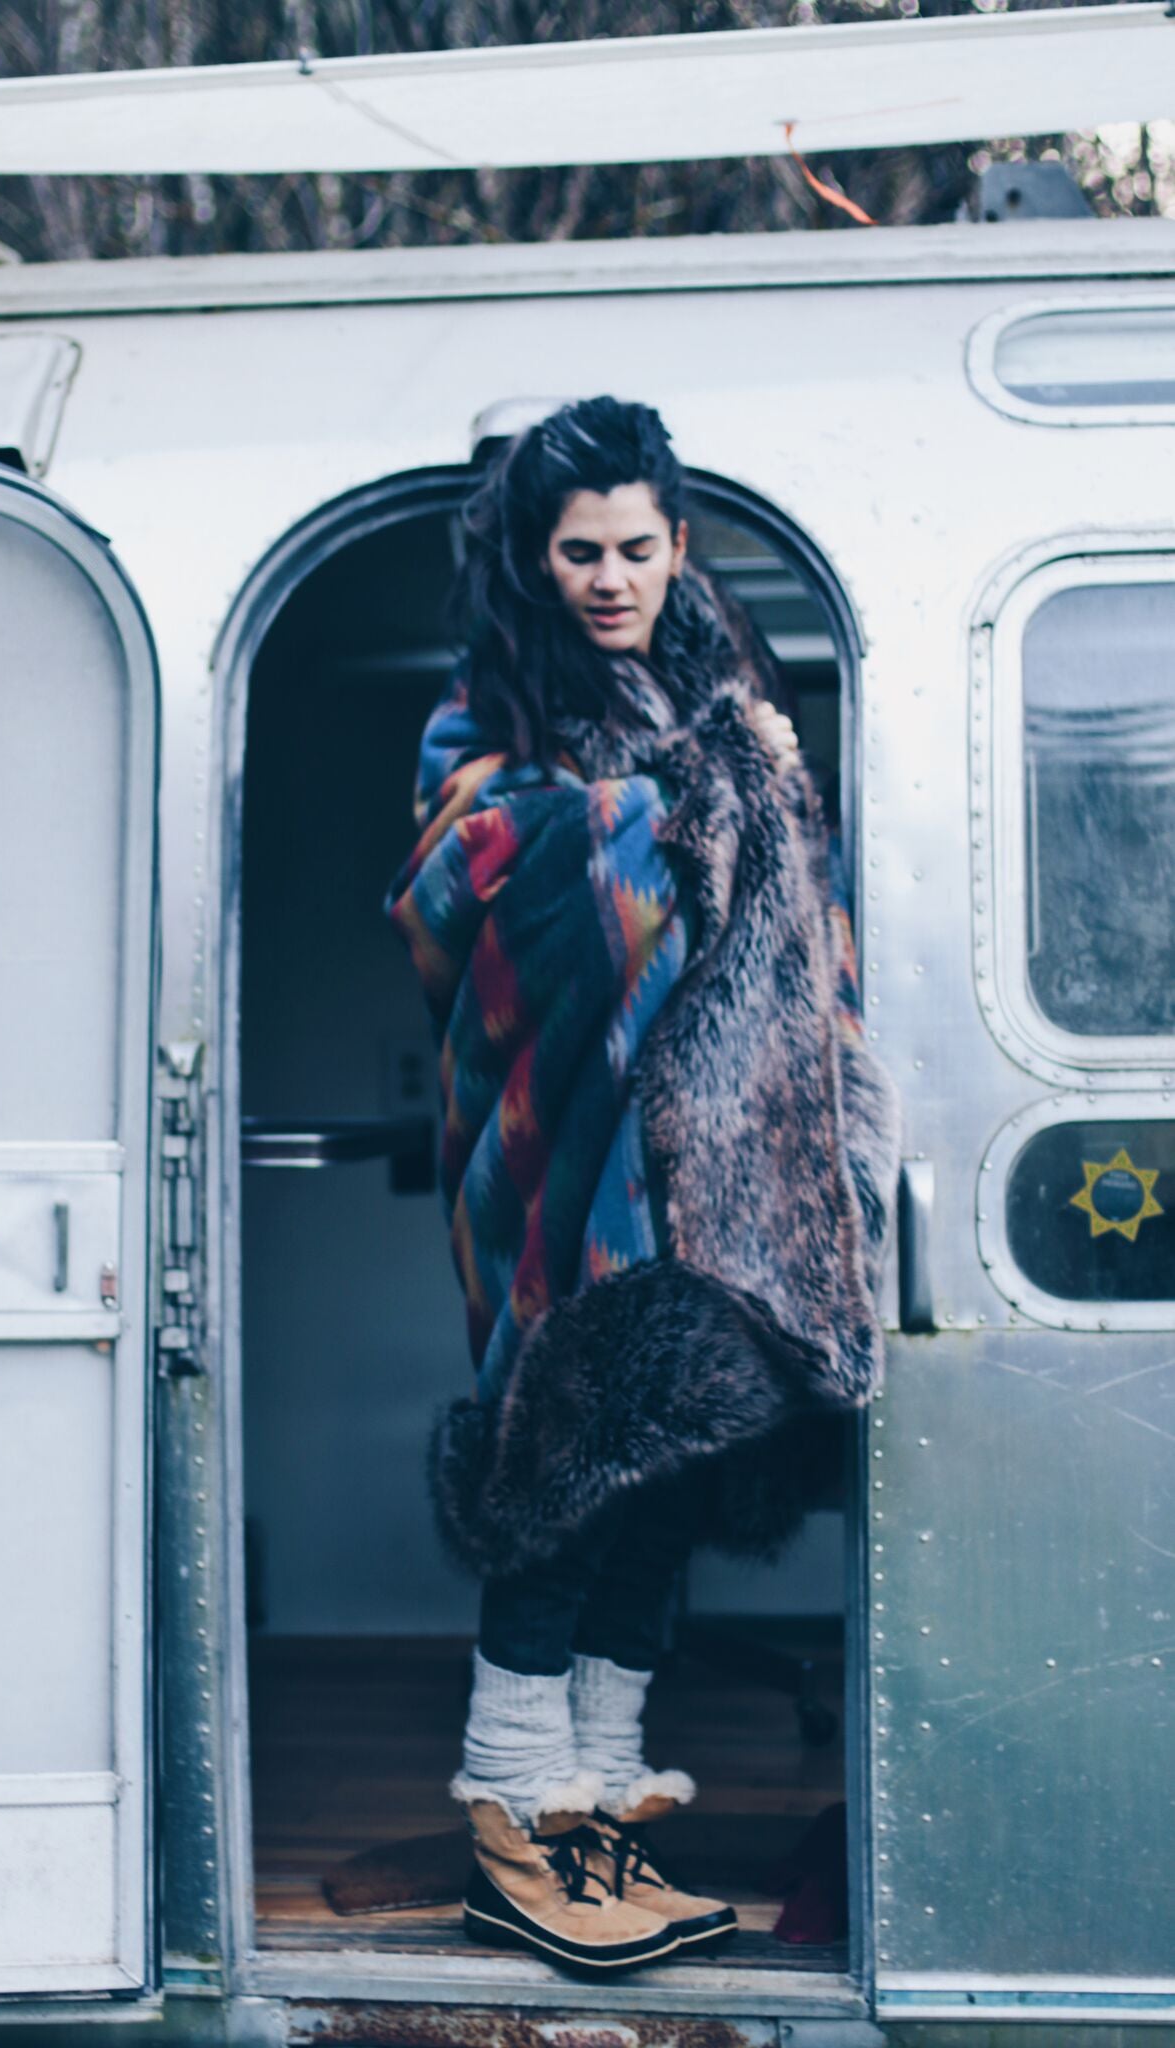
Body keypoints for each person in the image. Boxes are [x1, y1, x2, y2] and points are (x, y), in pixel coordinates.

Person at [385, 397, 897, 1973]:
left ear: (676, 541)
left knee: (669, 1470)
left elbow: (793, 906)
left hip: (733, 1165)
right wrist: (669, 809)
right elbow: (449, 876)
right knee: (565, 1463)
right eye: (576, 553)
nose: (608, 578)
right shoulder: (496, 698)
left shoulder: (712, 675)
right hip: (578, 1161)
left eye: (632, 547)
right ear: (535, 561)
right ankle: (510, 1793)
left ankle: (601, 1783)